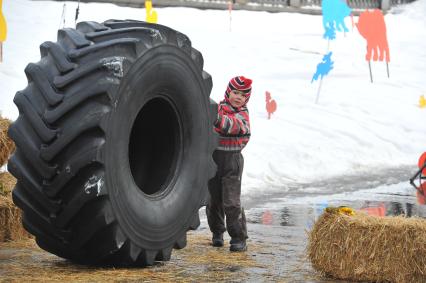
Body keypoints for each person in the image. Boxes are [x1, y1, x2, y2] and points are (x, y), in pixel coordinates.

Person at [206, 76, 252, 252]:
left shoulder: (242, 114)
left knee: (231, 202)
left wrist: (218, 120)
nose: (238, 97)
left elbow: (235, 126)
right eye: (235, 92)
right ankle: (217, 233)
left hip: (232, 160)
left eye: (242, 95)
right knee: (214, 199)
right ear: (228, 92)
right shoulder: (218, 108)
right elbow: (210, 125)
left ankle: (239, 237)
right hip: (214, 158)